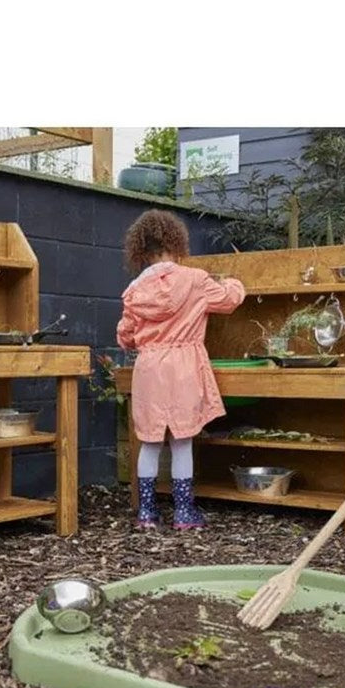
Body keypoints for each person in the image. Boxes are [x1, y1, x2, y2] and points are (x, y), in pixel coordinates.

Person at [116, 209, 245, 529]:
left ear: (142, 252)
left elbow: (126, 336)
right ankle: (184, 512)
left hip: (149, 368)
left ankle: (147, 512)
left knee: (149, 440)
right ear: (178, 243)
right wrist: (233, 282)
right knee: (182, 440)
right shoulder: (196, 281)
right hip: (185, 367)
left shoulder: (134, 291)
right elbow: (229, 300)